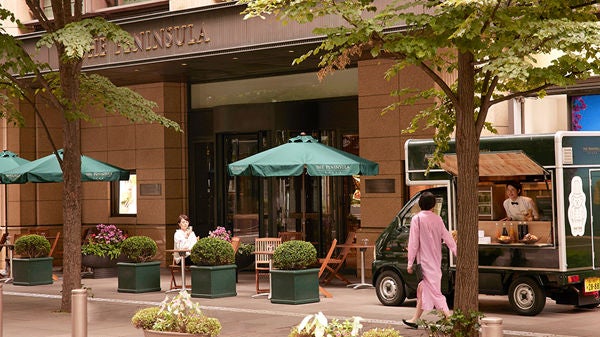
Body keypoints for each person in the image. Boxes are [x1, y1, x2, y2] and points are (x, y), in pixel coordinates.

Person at [403, 192, 457, 329]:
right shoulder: (437, 219)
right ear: (433, 205)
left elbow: (413, 243)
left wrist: (410, 263)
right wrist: (456, 252)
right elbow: (447, 237)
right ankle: (415, 319)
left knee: (434, 292)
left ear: (420, 204)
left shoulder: (417, 219)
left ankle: (449, 317)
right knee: (423, 290)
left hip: (424, 263)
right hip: (435, 261)